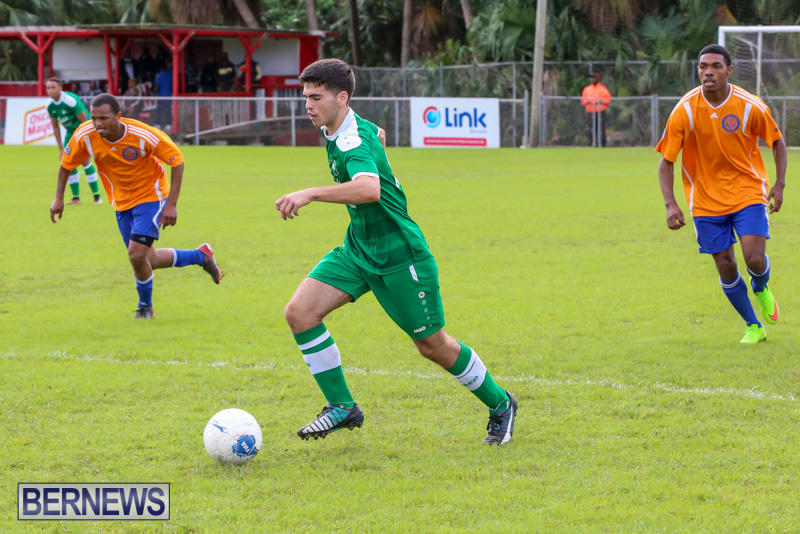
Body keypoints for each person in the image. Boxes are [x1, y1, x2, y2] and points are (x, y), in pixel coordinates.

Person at [274, 59, 517, 445]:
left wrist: (310, 193)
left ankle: (501, 403)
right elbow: (377, 134)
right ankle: (342, 406)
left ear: (342, 97)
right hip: (359, 248)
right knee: (299, 313)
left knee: (433, 346)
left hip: (400, 255)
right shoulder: (343, 128)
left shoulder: (351, 140)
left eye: (316, 97)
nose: (308, 104)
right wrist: (381, 152)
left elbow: (370, 189)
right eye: (306, 97)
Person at [49, 93, 224, 319]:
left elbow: (177, 161)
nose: (97, 124)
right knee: (149, 259)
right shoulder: (85, 134)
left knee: (135, 255)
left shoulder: (142, 134)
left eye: (103, 118)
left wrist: (172, 205)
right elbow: (66, 165)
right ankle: (201, 256)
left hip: (151, 196)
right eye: (94, 118)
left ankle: (145, 308)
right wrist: (58, 198)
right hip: (121, 201)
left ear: (118, 116)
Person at [656, 44, 787, 344]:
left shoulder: (749, 105)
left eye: (715, 66)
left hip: (747, 192)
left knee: (754, 258)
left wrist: (779, 184)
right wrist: (670, 204)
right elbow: (667, 161)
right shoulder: (685, 110)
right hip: (705, 201)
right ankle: (753, 326)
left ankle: (761, 285)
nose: (708, 72)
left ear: (729, 70)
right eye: (703, 67)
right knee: (725, 264)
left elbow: (777, 142)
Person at [45, 78, 102, 205]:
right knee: (67, 162)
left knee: (85, 161)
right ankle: (76, 198)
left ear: (60, 88)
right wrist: (60, 149)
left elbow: (85, 121)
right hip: (70, 133)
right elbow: (55, 126)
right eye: (48, 88)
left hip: (83, 130)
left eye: (53, 87)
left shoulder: (70, 101)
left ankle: (97, 197)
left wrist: (88, 140)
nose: (50, 90)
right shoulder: (49, 105)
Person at [580, 72, 611, 147]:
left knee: (601, 129)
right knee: (591, 129)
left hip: (600, 112)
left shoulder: (603, 89)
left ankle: (602, 144)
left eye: (594, 77)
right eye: (591, 78)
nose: (592, 79)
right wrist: (587, 102)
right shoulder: (587, 89)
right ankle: (591, 144)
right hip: (591, 112)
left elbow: (608, 100)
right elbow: (583, 101)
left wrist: (601, 102)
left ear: (598, 79)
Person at [153, 62, 173, 128]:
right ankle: (168, 125)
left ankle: (158, 124)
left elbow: (157, 86)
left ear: (160, 68)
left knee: (159, 110)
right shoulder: (170, 75)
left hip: (161, 96)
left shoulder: (158, 75)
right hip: (169, 96)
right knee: (168, 110)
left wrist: (153, 93)